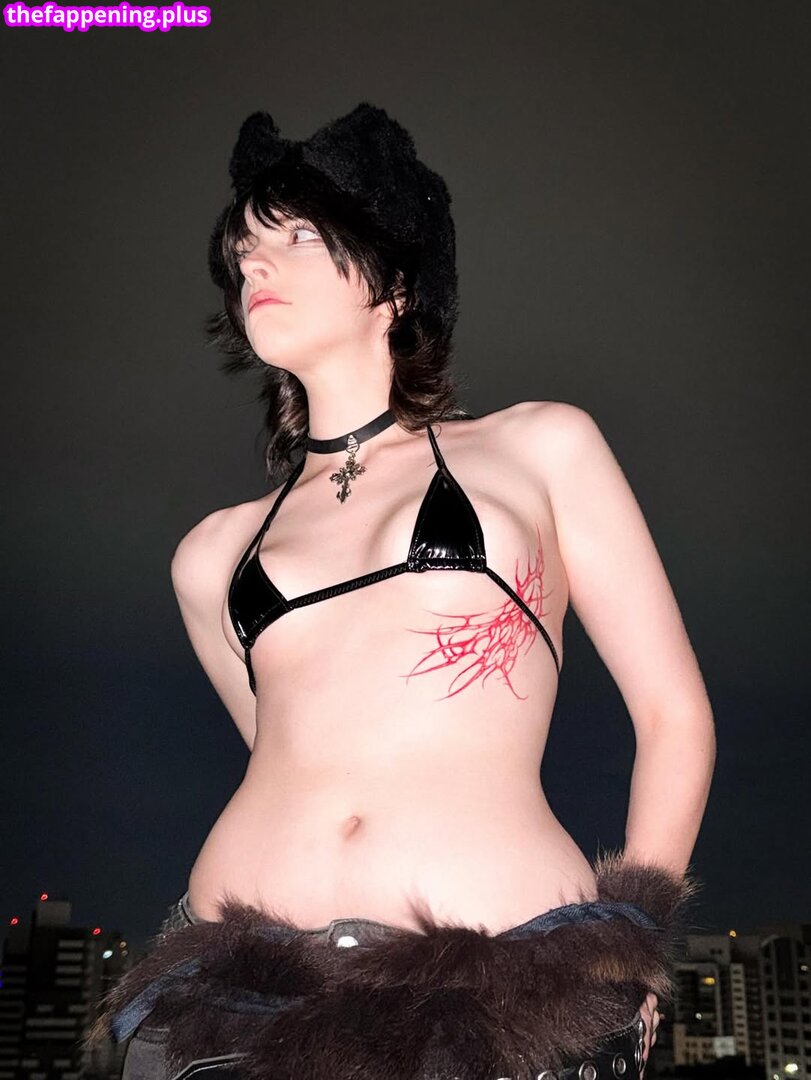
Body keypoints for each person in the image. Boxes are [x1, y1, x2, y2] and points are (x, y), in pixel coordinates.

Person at [86, 103, 715, 1080]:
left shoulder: (538, 448)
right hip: (236, 1011)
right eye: (243, 250)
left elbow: (674, 715)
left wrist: (626, 946)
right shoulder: (210, 556)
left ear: (396, 282)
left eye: (298, 237)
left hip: (500, 998)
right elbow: (292, 751)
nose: (257, 264)